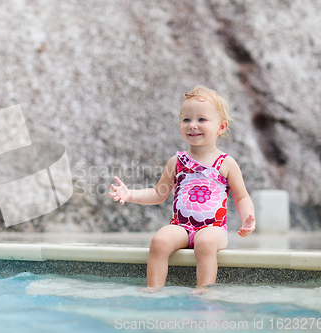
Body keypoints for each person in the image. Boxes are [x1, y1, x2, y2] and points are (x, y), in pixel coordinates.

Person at [108, 85, 256, 292]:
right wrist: (130, 194)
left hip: (213, 229)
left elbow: (241, 197)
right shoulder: (177, 161)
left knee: (205, 243)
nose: (192, 125)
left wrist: (248, 217)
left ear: (221, 127)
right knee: (159, 240)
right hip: (181, 227)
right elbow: (158, 194)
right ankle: (153, 288)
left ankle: (204, 289)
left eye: (202, 119)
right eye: (186, 119)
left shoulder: (226, 163)